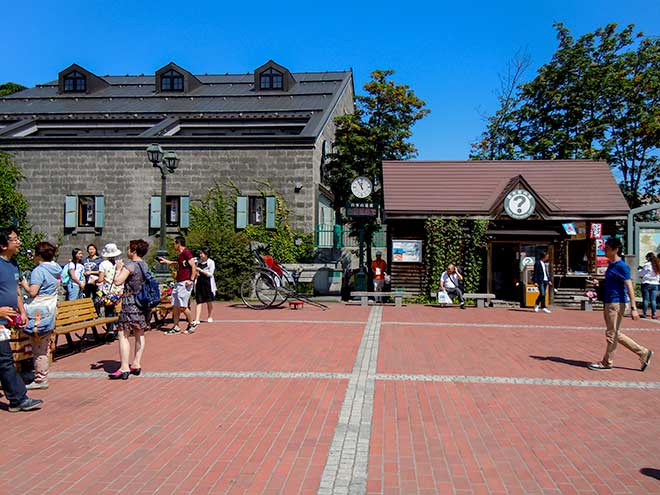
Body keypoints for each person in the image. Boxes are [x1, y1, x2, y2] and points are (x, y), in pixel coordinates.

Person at [588, 237, 653, 371]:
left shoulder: (622, 266)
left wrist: (634, 308)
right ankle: (643, 352)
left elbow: (629, 286)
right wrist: (599, 284)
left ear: (615, 250)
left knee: (611, 334)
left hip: (617, 303)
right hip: (609, 301)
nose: (604, 250)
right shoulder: (611, 265)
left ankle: (607, 362)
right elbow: (613, 283)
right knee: (614, 333)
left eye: (607, 248)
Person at [0, 228, 43, 412]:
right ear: (3, 245)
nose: (18, 242)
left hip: (7, 322)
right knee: (5, 360)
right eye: (14, 239)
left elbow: (17, 291)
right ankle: (18, 399)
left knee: (4, 360)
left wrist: (22, 311)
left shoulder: (13, 264)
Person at [19, 241, 60, 390]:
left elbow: (32, 292)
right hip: (50, 308)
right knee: (44, 345)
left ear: (39, 255)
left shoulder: (39, 271)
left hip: (38, 311)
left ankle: (40, 378)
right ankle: (41, 374)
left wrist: (24, 283)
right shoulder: (56, 269)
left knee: (39, 347)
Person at [107, 239, 151, 380]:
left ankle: (124, 367)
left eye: (129, 249)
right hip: (142, 303)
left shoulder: (130, 265)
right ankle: (136, 363)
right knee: (140, 333)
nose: (128, 251)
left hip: (129, 303)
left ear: (134, 251)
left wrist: (119, 269)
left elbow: (118, 281)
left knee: (123, 334)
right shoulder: (144, 265)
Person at [158, 236, 198, 334]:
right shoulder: (181, 255)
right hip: (179, 282)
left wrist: (191, 280)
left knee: (182, 306)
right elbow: (178, 265)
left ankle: (192, 323)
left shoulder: (186, 252)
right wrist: (167, 262)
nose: (173, 245)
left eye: (174, 243)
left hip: (185, 282)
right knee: (175, 305)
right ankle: (176, 327)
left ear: (178, 244)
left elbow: (193, 266)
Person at [97, 243, 124, 338]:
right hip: (119, 290)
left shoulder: (103, 264)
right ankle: (119, 327)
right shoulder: (120, 263)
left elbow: (100, 279)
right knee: (118, 310)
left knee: (109, 310)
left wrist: (95, 281)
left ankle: (110, 329)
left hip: (108, 290)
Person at [193, 248, 216, 325]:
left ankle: (209, 316)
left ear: (206, 254)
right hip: (199, 282)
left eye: (202, 253)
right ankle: (197, 318)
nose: (200, 255)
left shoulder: (211, 262)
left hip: (207, 283)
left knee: (208, 301)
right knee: (198, 301)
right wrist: (196, 273)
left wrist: (201, 271)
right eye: (200, 253)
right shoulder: (197, 261)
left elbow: (210, 274)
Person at [637, 252, 659, 319]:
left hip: (646, 283)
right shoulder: (657, 264)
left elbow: (641, 274)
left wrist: (639, 269)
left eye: (646, 257)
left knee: (646, 299)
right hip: (655, 284)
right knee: (653, 300)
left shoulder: (647, 265)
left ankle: (644, 313)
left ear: (648, 257)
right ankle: (654, 314)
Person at [83, 244, 102, 309]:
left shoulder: (99, 260)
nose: (91, 251)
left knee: (96, 298)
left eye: (93, 249)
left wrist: (91, 272)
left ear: (95, 250)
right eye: (90, 249)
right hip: (87, 283)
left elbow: (101, 271)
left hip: (96, 282)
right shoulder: (84, 260)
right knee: (87, 299)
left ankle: (97, 313)